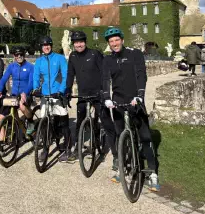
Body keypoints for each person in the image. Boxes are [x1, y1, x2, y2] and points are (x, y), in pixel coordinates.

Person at [101, 27, 160, 192]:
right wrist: (106, 97)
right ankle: (123, 167)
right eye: (111, 41)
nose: (114, 43)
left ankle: (153, 172)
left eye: (116, 40)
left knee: (145, 137)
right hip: (118, 101)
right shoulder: (107, 60)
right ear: (109, 44)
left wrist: (140, 95)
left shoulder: (134, 54)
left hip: (135, 100)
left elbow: (141, 75)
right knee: (122, 136)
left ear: (122, 40)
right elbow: (105, 79)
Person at [66, 31, 114, 162]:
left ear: (85, 42)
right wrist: (67, 90)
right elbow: (70, 74)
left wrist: (104, 91)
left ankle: (105, 146)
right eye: (76, 42)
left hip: (97, 93)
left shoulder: (95, 54)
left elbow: (105, 73)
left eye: (81, 42)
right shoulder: (73, 56)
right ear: (73, 44)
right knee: (80, 122)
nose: (79, 44)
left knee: (102, 120)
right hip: (83, 94)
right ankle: (77, 148)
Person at [33, 36, 71, 162]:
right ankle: (45, 148)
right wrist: (36, 89)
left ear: (51, 45)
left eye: (48, 44)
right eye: (44, 45)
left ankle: (68, 147)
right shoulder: (39, 61)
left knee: (63, 119)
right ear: (41, 47)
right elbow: (36, 76)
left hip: (57, 93)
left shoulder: (59, 58)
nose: (46, 47)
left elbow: (66, 76)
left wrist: (61, 91)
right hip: (45, 94)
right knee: (45, 122)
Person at [0, 46, 35, 138]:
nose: (19, 56)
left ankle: (30, 121)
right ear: (14, 56)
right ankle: (0, 144)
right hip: (14, 95)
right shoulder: (11, 66)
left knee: (22, 106)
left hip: (26, 94)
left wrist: (25, 93)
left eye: (21, 54)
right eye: (17, 55)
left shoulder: (30, 67)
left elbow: (31, 83)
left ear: (24, 55)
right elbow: (3, 79)